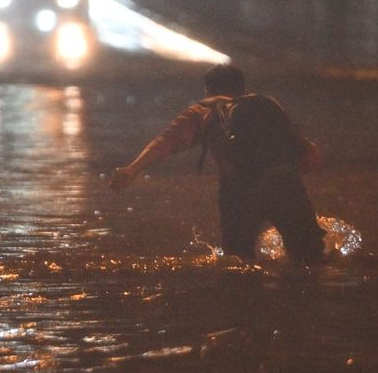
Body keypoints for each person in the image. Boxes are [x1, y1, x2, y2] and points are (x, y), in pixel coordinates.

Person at [110, 64, 326, 264]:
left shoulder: (202, 112)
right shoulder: (265, 105)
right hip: (285, 185)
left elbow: (166, 142)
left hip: (239, 193)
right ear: (242, 87)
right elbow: (308, 152)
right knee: (311, 258)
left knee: (238, 262)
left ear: (208, 91)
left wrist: (132, 169)